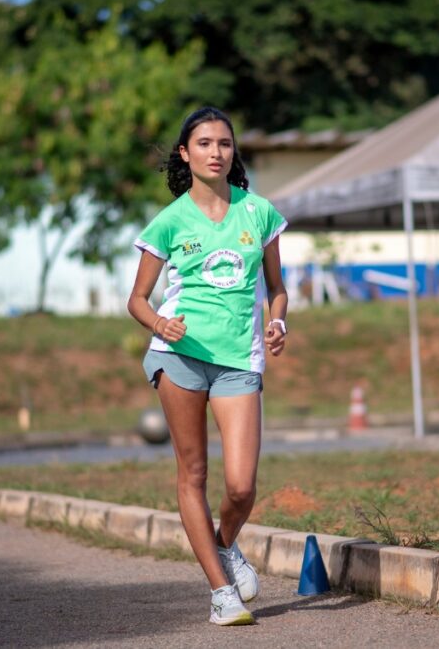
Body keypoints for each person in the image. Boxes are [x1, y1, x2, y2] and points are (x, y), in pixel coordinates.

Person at [127, 107, 288, 626]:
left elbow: (277, 289)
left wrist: (277, 322)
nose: (215, 152)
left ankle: (223, 544)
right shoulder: (170, 221)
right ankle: (221, 593)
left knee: (241, 486)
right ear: (185, 153)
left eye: (224, 143)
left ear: (233, 151)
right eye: (204, 143)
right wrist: (159, 323)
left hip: (239, 359)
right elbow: (137, 299)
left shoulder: (259, 213)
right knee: (193, 473)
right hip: (178, 358)